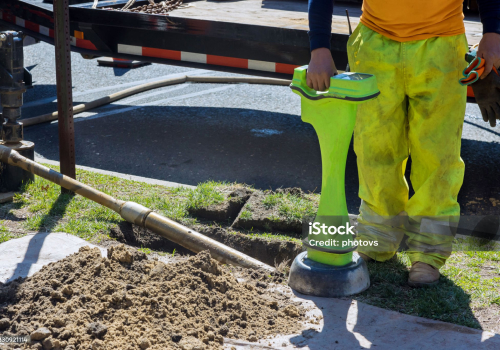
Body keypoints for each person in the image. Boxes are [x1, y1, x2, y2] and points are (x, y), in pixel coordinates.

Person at [306, 0, 500, 287]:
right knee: (375, 147)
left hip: (442, 47)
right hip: (375, 44)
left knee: (438, 154)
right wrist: (319, 47)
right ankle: (376, 237)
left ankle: (429, 252)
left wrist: (493, 34)